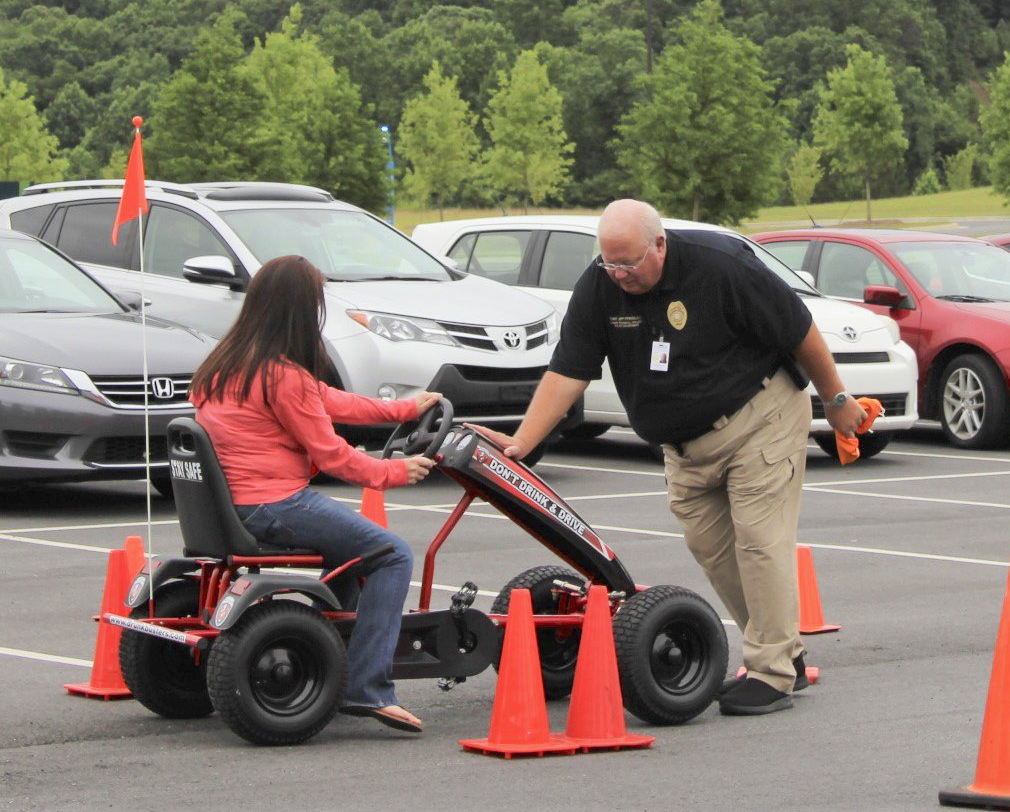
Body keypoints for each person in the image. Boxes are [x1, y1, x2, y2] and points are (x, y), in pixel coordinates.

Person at [473, 200, 867, 716]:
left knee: (758, 543)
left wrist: (837, 402)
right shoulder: (599, 286)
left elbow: (800, 331)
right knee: (713, 549)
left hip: (759, 419)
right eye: (609, 263)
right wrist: (522, 442)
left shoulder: (719, 266)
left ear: (659, 244)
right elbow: (569, 369)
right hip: (683, 449)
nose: (619, 275)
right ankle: (783, 651)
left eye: (629, 263)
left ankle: (772, 672)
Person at [190, 255, 440, 734]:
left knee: (355, 551)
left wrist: (404, 409)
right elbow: (331, 456)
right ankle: (368, 688)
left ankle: (335, 658)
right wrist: (393, 472)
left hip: (237, 506)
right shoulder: (282, 376)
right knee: (392, 554)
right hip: (276, 505)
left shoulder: (224, 366)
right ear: (300, 310)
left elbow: (328, 399)